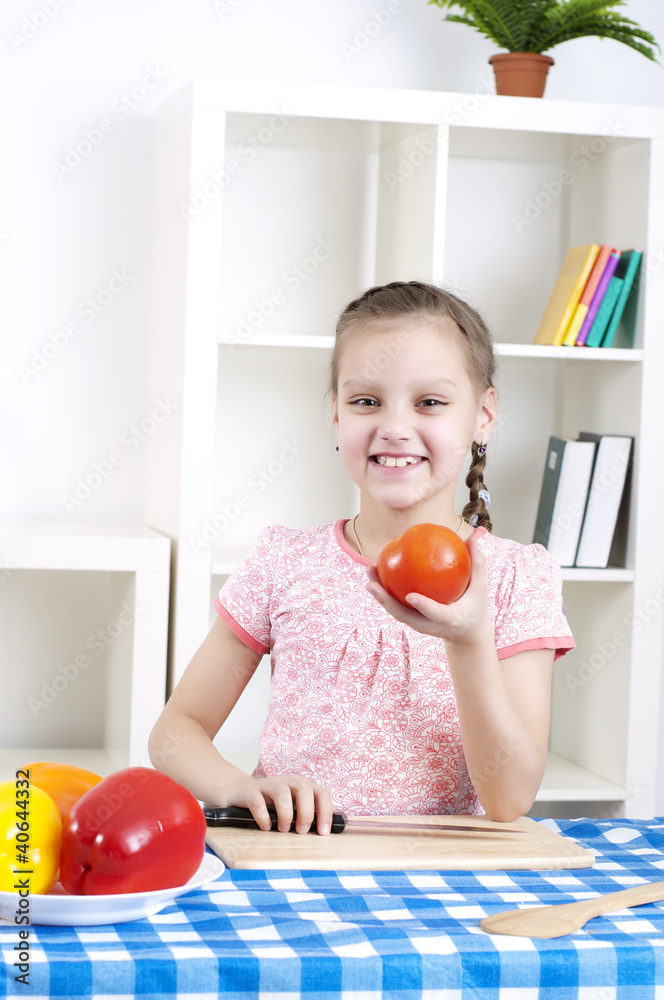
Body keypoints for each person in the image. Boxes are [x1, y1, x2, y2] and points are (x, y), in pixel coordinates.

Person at [149, 280, 574, 834]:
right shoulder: (284, 562)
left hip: (449, 878)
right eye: (366, 401)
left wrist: (469, 640)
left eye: (430, 402)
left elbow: (510, 797)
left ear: (483, 415)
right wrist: (236, 786)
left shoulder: (519, 578)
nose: (395, 428)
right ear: (336, 414)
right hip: (294, 859)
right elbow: (177, 729)